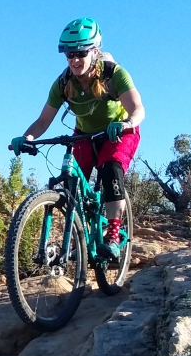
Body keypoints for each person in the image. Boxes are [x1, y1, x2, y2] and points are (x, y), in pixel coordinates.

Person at [11, 17, 145, 257]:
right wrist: (27, 137)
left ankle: (113, 235)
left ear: (94, 51)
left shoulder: (114, 74)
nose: (74, 60)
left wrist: (127, 123)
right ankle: (79, 239)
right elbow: (43, 121)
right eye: (69, 54)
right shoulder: (63, 83)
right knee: (71, 184)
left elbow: (138, 109)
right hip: (85, 134)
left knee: (110, 169)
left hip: (119, 131)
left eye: (80, 54)